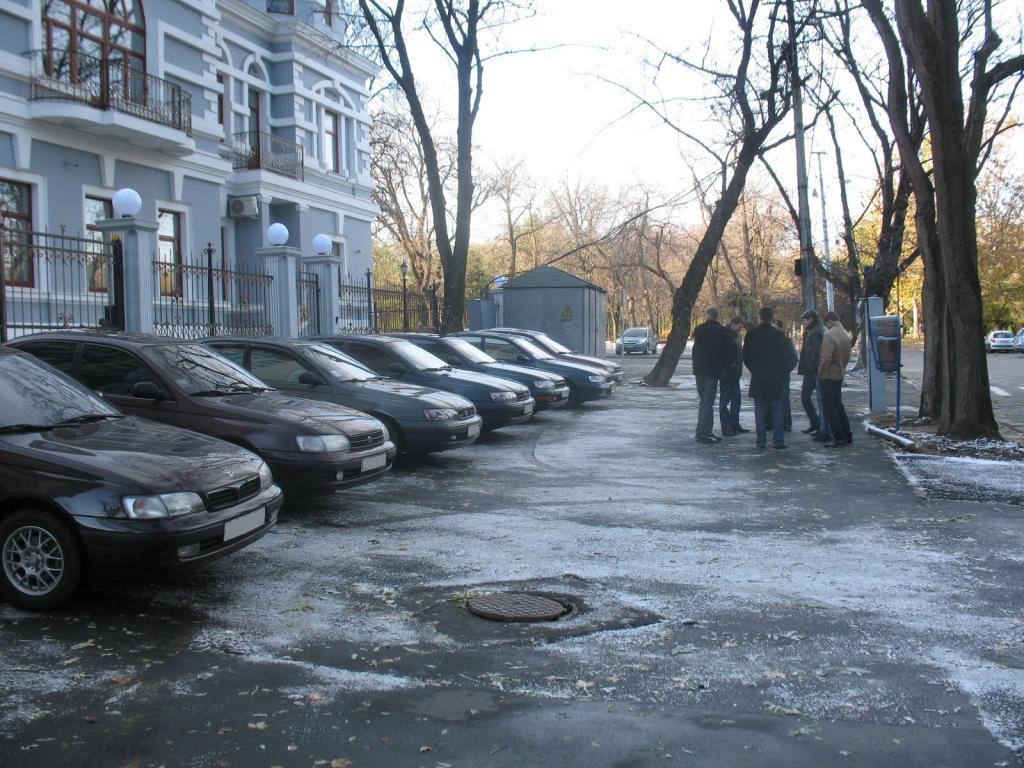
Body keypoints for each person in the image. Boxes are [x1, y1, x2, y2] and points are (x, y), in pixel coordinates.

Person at [742, 306, 798, 449]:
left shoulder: (751, 334)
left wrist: (754, 370)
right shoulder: (779, 336)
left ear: (760, 317)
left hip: (758, 377)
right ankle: (778, 440)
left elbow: (745, 356)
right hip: (775, 378)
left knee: (759, 410)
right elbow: (790, 358)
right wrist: (782, 372)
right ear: (772, 317)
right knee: (777, 409)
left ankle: (761, 440)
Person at [691, 306, 734, 444]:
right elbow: (730, 350)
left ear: (707, 315)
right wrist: (726, 363)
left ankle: (701, 431)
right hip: (713, 369)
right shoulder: (722, 331)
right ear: (717, 316)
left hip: (699, 369)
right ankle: (705, 432)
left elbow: (695, 348)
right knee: (708, 401)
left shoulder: (699, 329)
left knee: (703, 400)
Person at [818, 310, 853, 447]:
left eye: (826, 323)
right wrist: (842, 367)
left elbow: (826, 358)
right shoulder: (844, 334)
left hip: (829, 374)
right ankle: (847, 434)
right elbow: (847, 355)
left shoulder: (829, 334)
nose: (826, 326)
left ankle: (838, 436)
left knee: (829, 406)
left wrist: (822, 373)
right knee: (838, 404)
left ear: (829, 321)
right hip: (840, 372)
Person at [797, 309, 831, 442]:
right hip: (811, 371)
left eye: (804, 320)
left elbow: (817, 354)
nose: (803, 323)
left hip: (814, 371)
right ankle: (817, 424)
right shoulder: (815, 330)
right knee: (807, 397)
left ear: (811, 319)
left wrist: (813, 369)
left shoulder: (816, 332)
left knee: (820, 401)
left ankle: (824, 430)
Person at [719, 317, 749, 436]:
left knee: (736, 400)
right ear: (733, 324)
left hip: (735, 373)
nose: (740, 330)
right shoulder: (725, 335)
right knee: (725, 401)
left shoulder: (737, 336)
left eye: (741, 328)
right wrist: (728, 364)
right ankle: (726, 427)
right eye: (739, 327)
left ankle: (734, 424)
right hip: (726, 373)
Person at [771, 319, 795, 432]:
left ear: (781, 329)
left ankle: (786, 423)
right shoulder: (768, 341)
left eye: (776, 328)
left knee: (784, 399)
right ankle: (771, 422)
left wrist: (786, 370)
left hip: (783, 375)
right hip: (771, 375)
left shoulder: (787, 341)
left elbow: (793, 359)